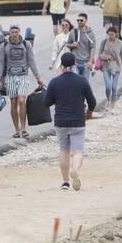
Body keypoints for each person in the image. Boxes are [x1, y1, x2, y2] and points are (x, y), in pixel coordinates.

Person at [43, 52, 96, 191]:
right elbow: (92, 101)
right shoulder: (82, 81)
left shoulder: (55, 82)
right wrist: (89, 112)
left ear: (62, 64)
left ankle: (65, 182)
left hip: (60, 122)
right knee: (78, 150)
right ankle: (75, 171)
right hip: (78, 121)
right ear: (74, 65)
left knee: (64, 151)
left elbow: (46, 102)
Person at [0, 24, 43, 139]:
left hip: (23, 76)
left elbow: (32, 61)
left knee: (22, 100)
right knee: (13, 102)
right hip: (10, 76)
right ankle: (17, 130)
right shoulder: (4, 45)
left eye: (16, 32)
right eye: (12, 32)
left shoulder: (26, 45)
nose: (14, 34)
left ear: (19, 32)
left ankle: (23, 128)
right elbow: (1, 63)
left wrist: (38, 77)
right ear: (10, 33)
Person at [99, 26, 122, 109]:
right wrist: (106, 57)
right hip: (106, 66)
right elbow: (100, 55)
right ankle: (108, 99)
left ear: (116, 34)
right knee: (108, 86)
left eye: (112, 35)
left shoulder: (120, 43)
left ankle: (113, 103)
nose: (110, 36)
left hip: (116, 67)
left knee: (114, 87)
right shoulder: (104, 42)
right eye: (109, 34)